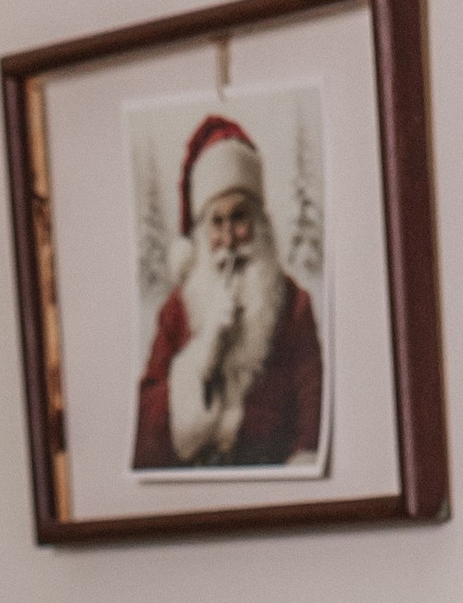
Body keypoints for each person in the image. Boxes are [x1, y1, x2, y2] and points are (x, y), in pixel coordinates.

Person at [132, 113, 326, 473]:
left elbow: (313, 422)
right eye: (216, 223)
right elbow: (145, 433)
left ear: (259, 223)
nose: (229, 239)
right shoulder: (177, 310)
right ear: (202, 235)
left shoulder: (295, 305)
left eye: (239, 218)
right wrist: (203, 351)